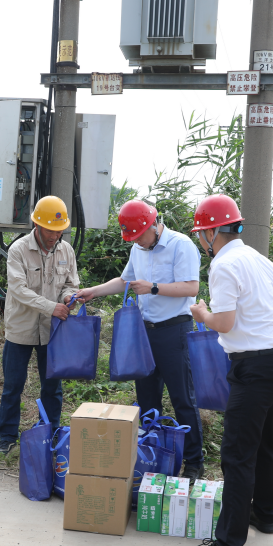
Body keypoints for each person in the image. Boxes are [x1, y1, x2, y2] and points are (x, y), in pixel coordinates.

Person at [181, 194, 273, 546]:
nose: (201, 240)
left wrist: (201, 313)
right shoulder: (262, 261)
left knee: (236, 454)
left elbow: (225, 324)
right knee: (261, 442)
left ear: (212, 233)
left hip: (254, 368)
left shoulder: (224, 265)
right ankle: (264, 514)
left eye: (201, 234)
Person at [76, 199, 204, 479]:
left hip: (174, 331)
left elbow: (191, 287)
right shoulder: (138, 247)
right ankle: (153, 458)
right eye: (132, 238)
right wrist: (93, 291)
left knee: (183, 398)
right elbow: (125, 281)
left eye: (139, 236)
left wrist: (153, 287)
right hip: (145, 332)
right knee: (147, 399)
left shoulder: (180, 245)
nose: (137, 242)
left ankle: (194, 463)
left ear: (154, 225)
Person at [0, 196, 78, 457]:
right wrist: (51, 307)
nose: (54, 236)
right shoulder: (18, 250)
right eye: (50, 230)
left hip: (52, 330)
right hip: (21, 329)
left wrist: (68, 297)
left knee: (52, 387)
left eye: (59, 231)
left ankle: (50, 435)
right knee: (13, 386)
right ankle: (6, 438)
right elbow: (18, 290)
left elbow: (71, 283)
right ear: (37, 225)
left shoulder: (66, 251)